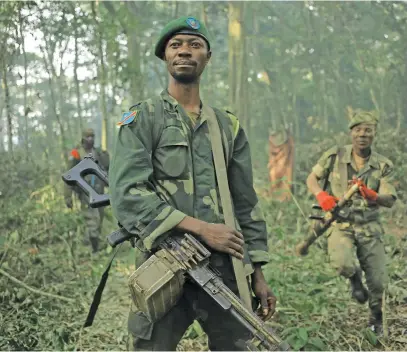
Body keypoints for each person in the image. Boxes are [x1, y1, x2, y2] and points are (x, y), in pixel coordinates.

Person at [109, 16, 276, 351]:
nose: (185, 51)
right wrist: (201, 228)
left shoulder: (227, 126)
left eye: (194, 45)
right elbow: (128, 195)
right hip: (163, 263)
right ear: (164, 57)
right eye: (176, 45)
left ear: (207, 57)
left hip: (223, 268)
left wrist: (257, 270)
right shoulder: (142, 118)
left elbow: (245, 201)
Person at [306, 110, 397, 334]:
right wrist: (322, 196)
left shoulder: (383, 165)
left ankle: (376, 318)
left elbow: (389, 198)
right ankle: (354, 279)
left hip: (369, 227)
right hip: (341, 225)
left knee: (377, 281)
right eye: (358, 130)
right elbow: (312, 179)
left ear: (375, 134)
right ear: (351, 133)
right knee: (342, 262)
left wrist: (373, 196)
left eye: (368, 130)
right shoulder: (334, 156)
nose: (362, 134)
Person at [64, 128, 110, 253]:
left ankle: (91, 242)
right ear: (83, 138)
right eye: (88, 137)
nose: (90, 139)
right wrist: (67, 196)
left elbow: (107, 168)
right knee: (92, 220)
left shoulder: (98, 152)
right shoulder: (76, 153)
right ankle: (93, 248)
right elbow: (69, 175)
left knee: (99, 218)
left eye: (92, 137)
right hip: (85, 192)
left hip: (99, 191)